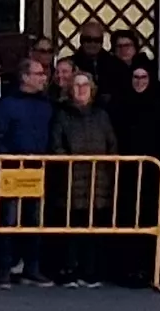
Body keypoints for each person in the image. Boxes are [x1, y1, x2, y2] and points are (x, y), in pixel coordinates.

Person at [48, 66, 122, 286]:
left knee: (94, 228)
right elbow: (56, 144)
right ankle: (69, 269)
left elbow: (112, 144)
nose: (81, 89)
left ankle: (91, 271)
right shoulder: (62, 115)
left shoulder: (101, 116)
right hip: (70, 180)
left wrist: (108, 167)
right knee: (71, 227)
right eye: (77, 85)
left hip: (98, 179)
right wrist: (68, 162)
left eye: (85, 85)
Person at [0, 58, 58, 284]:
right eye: (38, 74)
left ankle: (31, 266)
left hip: (38, 168)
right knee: (8, 220)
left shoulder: (46, 105)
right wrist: (8, 156)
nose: (43, 78)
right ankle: (3, 268)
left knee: (34, 220)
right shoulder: (6, 105)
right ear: (25, 77)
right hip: (12, 169)